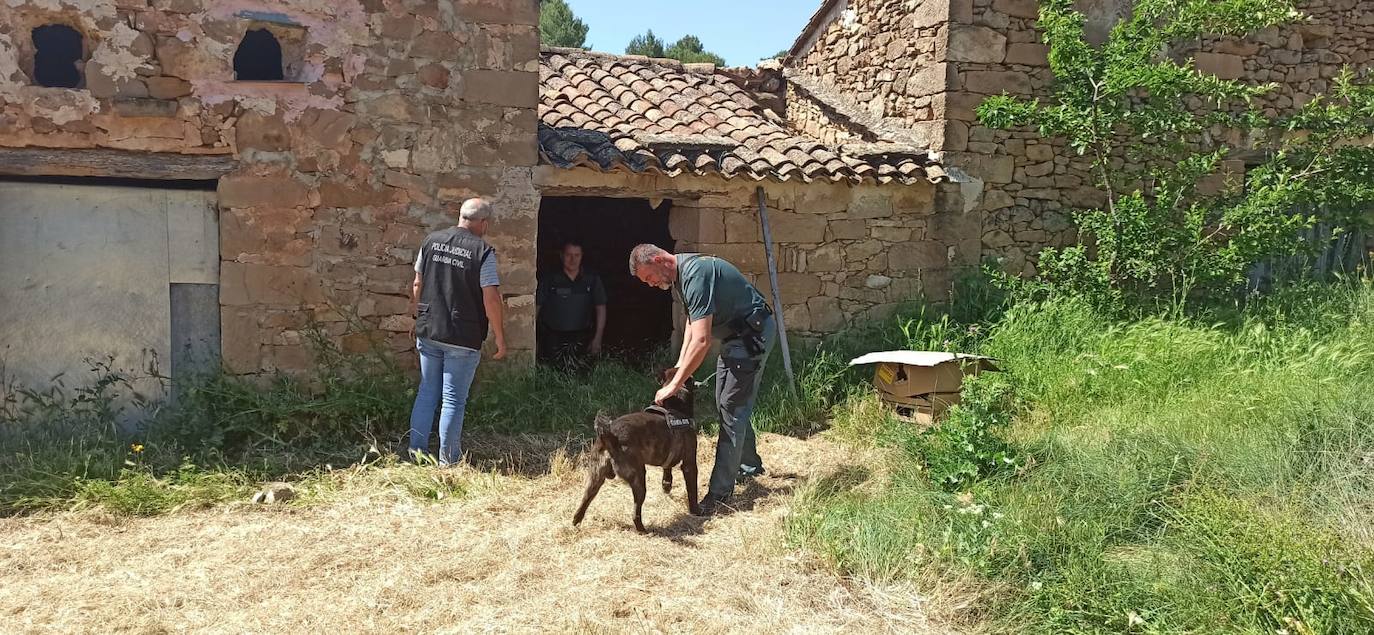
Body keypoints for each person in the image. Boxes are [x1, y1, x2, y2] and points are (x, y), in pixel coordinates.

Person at [628, 244, 775, 515]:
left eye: (649, 278)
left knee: (732, 409)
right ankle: (750, 465)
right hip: (736, 337)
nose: (651, 285)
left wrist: (674, 384)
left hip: (751, 337)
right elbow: (691, 327)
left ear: (660, 260)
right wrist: (680, 367)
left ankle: (720, 494)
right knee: (727, 404)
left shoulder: (695, 274)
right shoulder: (682, 276)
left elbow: (703, 339)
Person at [407, 198, 507, 466]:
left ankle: (415, 453)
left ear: (460, 216)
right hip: (463, 334)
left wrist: (417, 316)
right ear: (483, 223)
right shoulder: (483, 251)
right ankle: (448, 462)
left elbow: (418, 283)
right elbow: (490, 298)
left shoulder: (430, 241)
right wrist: (499, 335)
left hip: (429, 329)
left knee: (427, 391)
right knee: (453, 400)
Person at [536, 240, 607, 372]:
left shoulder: (591, 279)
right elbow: (537, 307)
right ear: (561, 255)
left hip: (582, 337)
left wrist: (597, 338)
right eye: (569, 255)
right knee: (553, 375)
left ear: (582, 256)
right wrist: (533, 338)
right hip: (553, 338)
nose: (573, 259)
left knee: (581, 375)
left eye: (577, 255)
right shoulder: (550, 279)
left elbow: (601, 308)